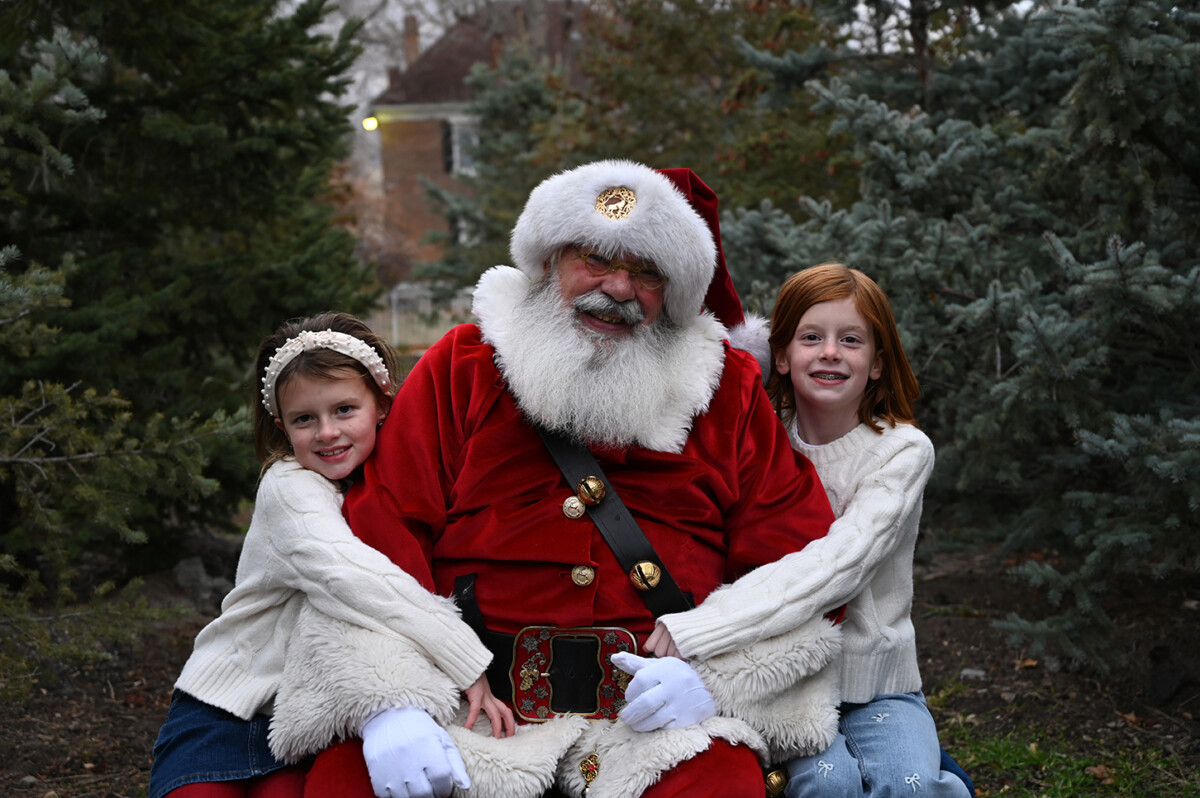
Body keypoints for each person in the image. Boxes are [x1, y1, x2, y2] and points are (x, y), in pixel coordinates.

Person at [265, 161, 845, 798]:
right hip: (477, 711)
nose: (618, 288)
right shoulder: (462, 367)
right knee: (349, 781)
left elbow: (799, 562)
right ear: (549, 261)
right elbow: (379, 536)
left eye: (648, 272)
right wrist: (396, 699)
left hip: (653, 723)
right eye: (595, 258)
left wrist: (716, 680)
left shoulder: (726, 388)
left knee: (722, 785)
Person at [148, 312, 511, 798]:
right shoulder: (289, 487)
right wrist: (466, 660)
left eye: (344, 410)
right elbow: (350, 577)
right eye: (304, 419)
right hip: (229, 701)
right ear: (282, 427)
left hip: (306, 708)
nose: (326, 432)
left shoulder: (387, 480)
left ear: (382, 403)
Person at [647, 263, 973, 797]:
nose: (830, 353)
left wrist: (706, 625)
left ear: (877, 363)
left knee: (909, 785)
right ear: (780, 355)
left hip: (877, 687)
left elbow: (844, 562)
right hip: (783, 683)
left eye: (851, 340)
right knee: (827, 784)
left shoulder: (901, 451)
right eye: (811, 338)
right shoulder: (760, 437)